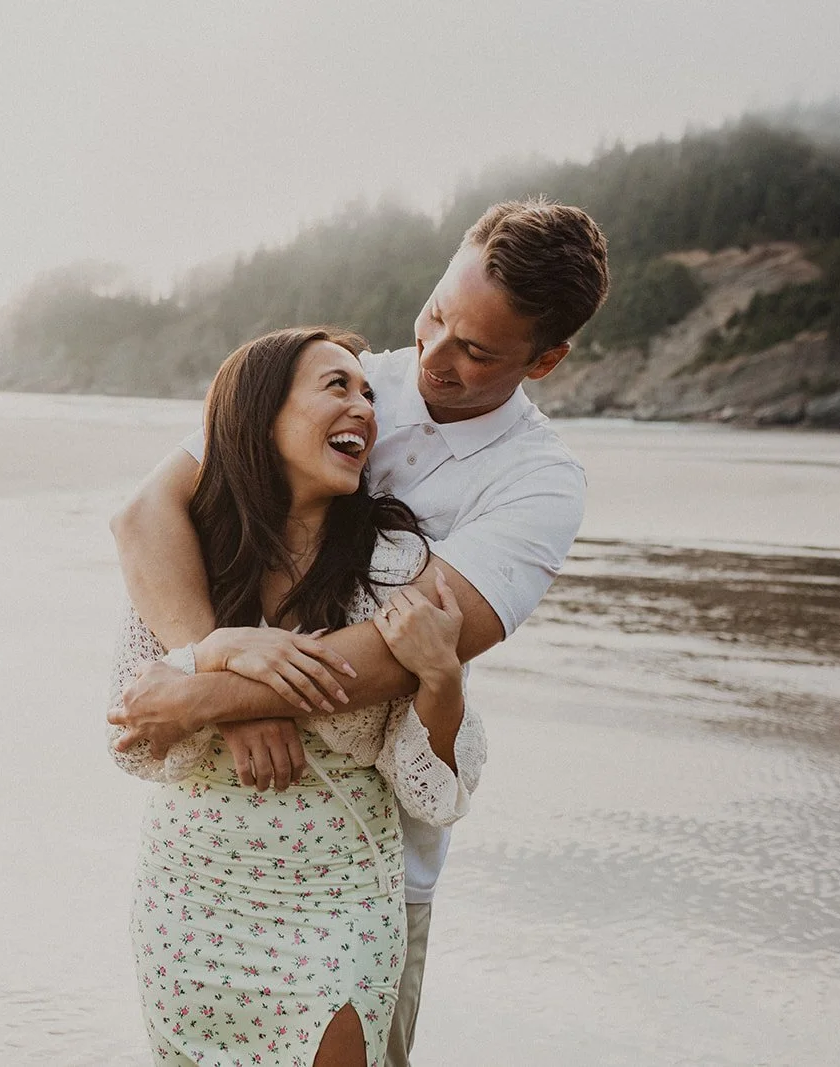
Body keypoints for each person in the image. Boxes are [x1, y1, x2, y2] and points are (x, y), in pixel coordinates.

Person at [109, 198, 610, 1064]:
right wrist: (222, 671)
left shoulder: (539, 484)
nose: (431, 357)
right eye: (435, 313)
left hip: (368, 870)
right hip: (204, 877)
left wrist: (200, 693)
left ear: (548, 358)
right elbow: (149, 512)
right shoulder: (339, 378)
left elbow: (398, 654)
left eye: (476, 349)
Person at [106, 327, 486, 1067]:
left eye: (368, 392)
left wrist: (441, 679)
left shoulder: (396, 565)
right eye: (336, 386)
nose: (364, 408)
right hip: (193, 898)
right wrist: (219, 649)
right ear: (261, 415)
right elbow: (130, 734)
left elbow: (436, 786)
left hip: (337, 903)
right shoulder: (190, 556)